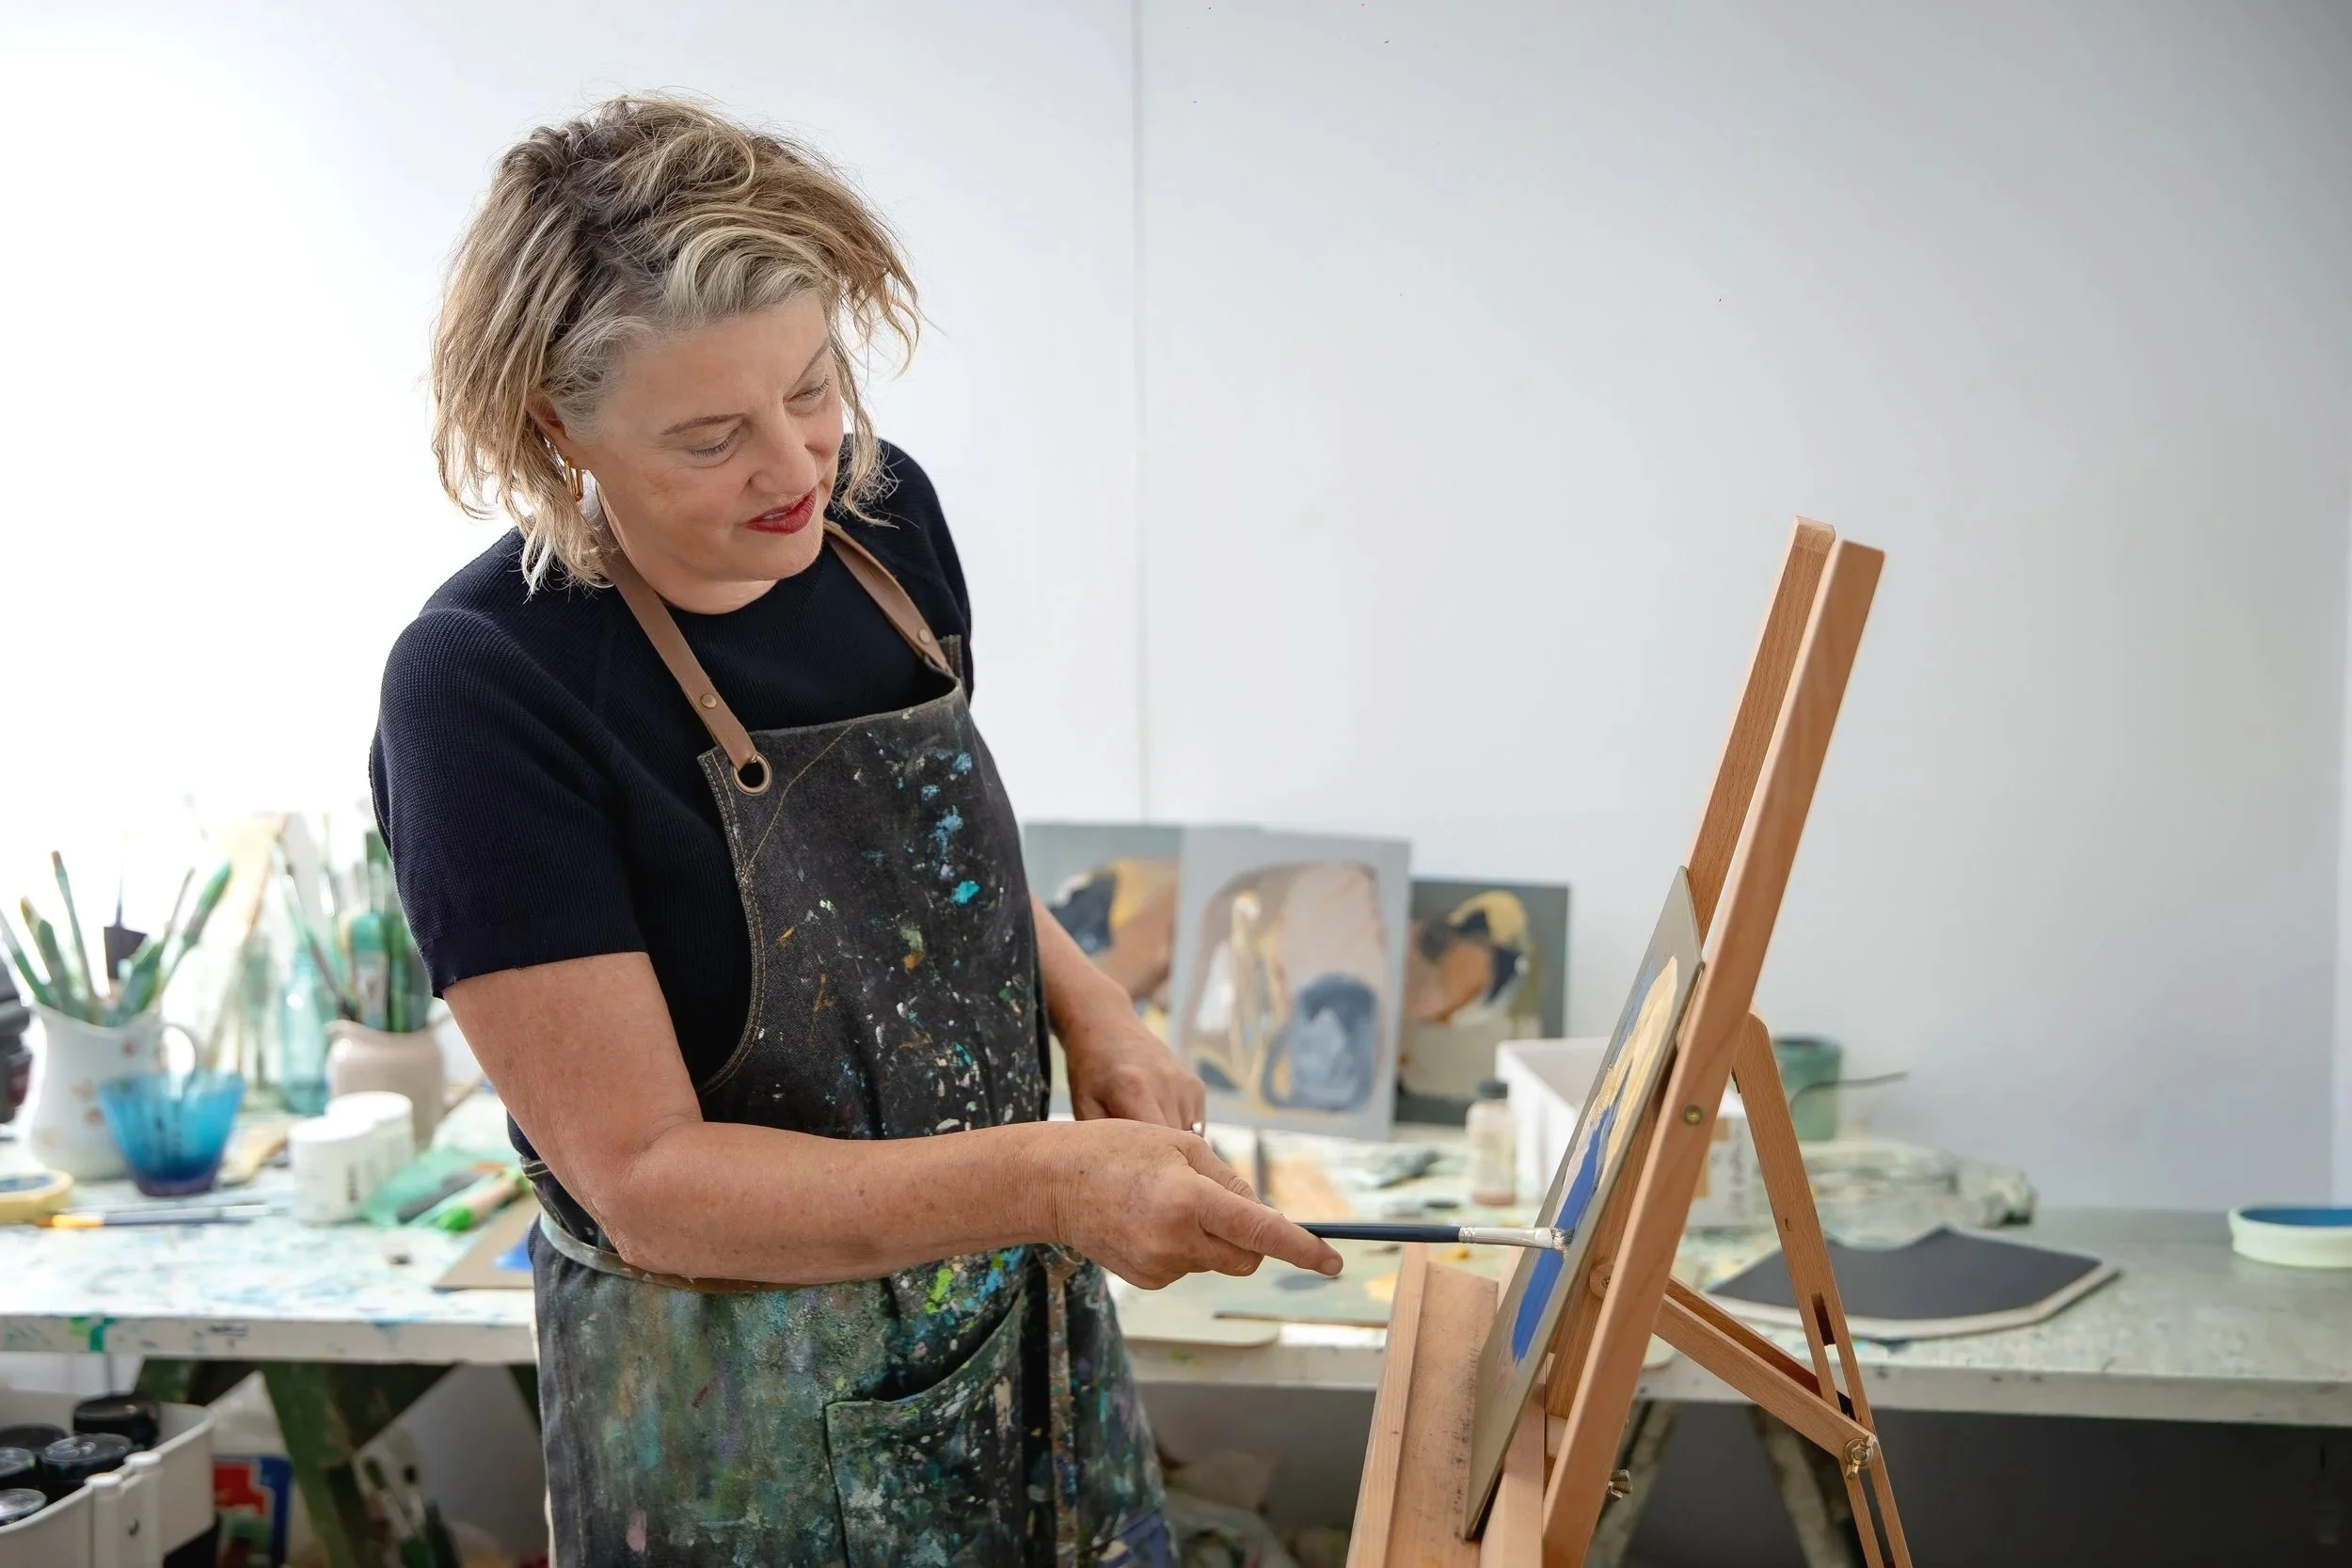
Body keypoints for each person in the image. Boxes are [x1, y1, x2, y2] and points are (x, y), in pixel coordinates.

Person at [371, 94, 1340, 1566]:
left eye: (814, 387)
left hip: (1008, 1330)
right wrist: (1055, 1179)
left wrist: (1093, 1015)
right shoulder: (483, 685)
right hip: (728, 1416)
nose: (796, 468)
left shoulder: (885, 528)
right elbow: (648, 1181)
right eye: (711, 436)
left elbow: (928, 873)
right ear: (555, 424)